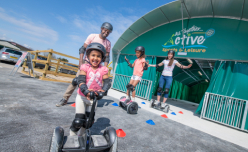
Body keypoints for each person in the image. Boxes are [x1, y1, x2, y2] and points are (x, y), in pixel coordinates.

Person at [56, 22, 113, 107]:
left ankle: (88, 101)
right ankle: (65, 99)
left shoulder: (108, 43)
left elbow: (107, 57)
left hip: (98, 66)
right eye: (105, 30)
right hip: (86, 63)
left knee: (95, 83)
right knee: (76, 81)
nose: (106, 33)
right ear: (101, 29)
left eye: (108, 32)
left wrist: (104, 68)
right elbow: (82, 49)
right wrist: (80, 62)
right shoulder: (92, 36)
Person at [69, 42, 111, 136]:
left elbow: (107, 82)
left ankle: (81, 136)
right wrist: (86, 91)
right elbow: (81, 80)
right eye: (93, 55)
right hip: (82, 97)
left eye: (99, 56)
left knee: (88, 122)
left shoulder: (103, 69)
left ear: (102, 58)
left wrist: (103, 91)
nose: (95, 58)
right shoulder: (85, 67)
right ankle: (72, 136)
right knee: (78, 121)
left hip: (93, 99)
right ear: (88, 56)